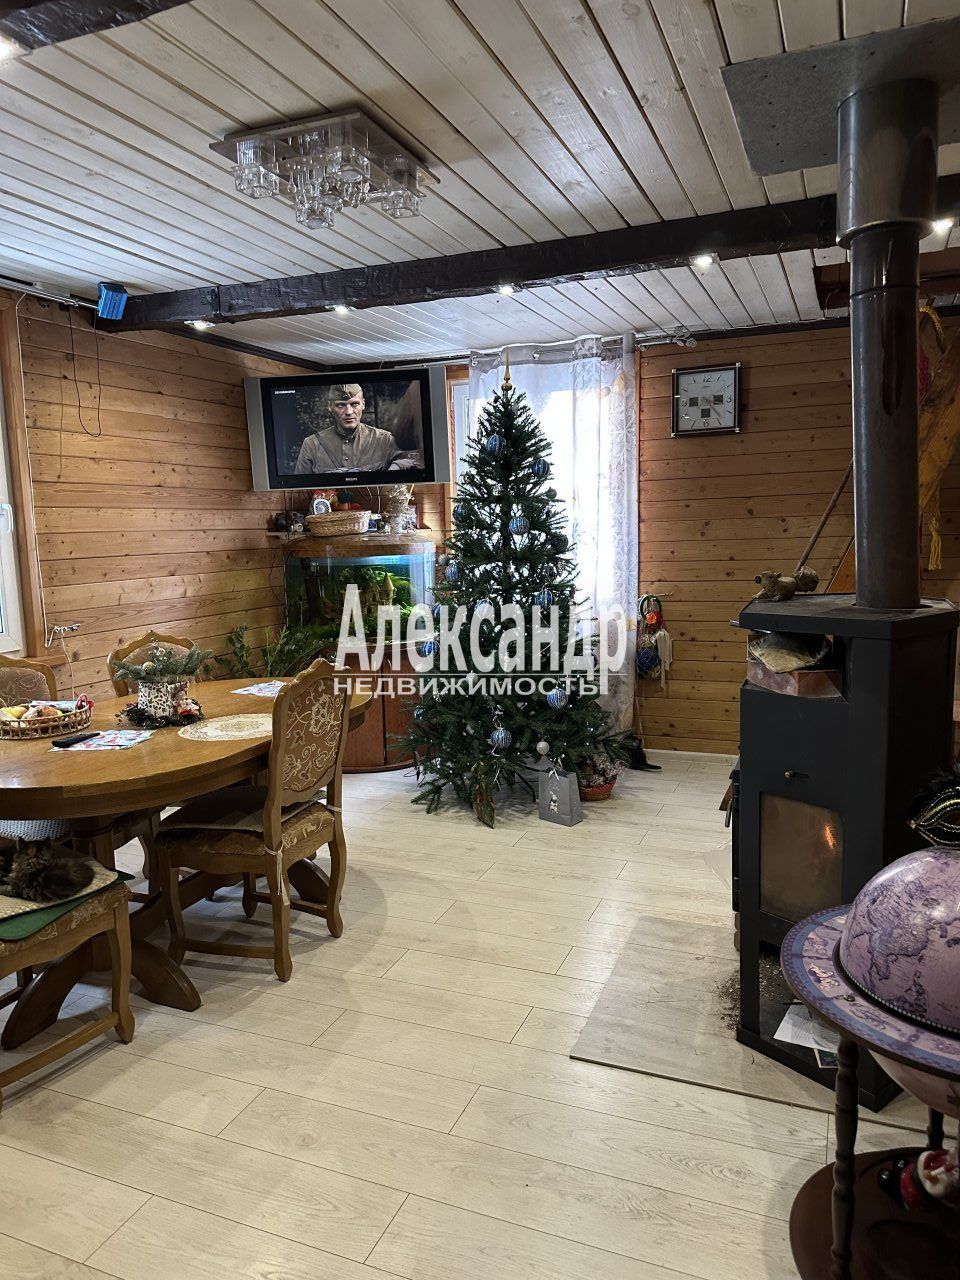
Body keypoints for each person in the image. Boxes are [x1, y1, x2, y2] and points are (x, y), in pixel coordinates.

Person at [294, 383, 418, 473]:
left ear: (363, 404)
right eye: (341, 405)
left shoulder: (383, 440)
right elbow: (298, 487)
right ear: (330, 407)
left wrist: (395, 467)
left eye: (354, 404)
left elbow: (414, 459)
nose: (349, 412)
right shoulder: (312, 445)